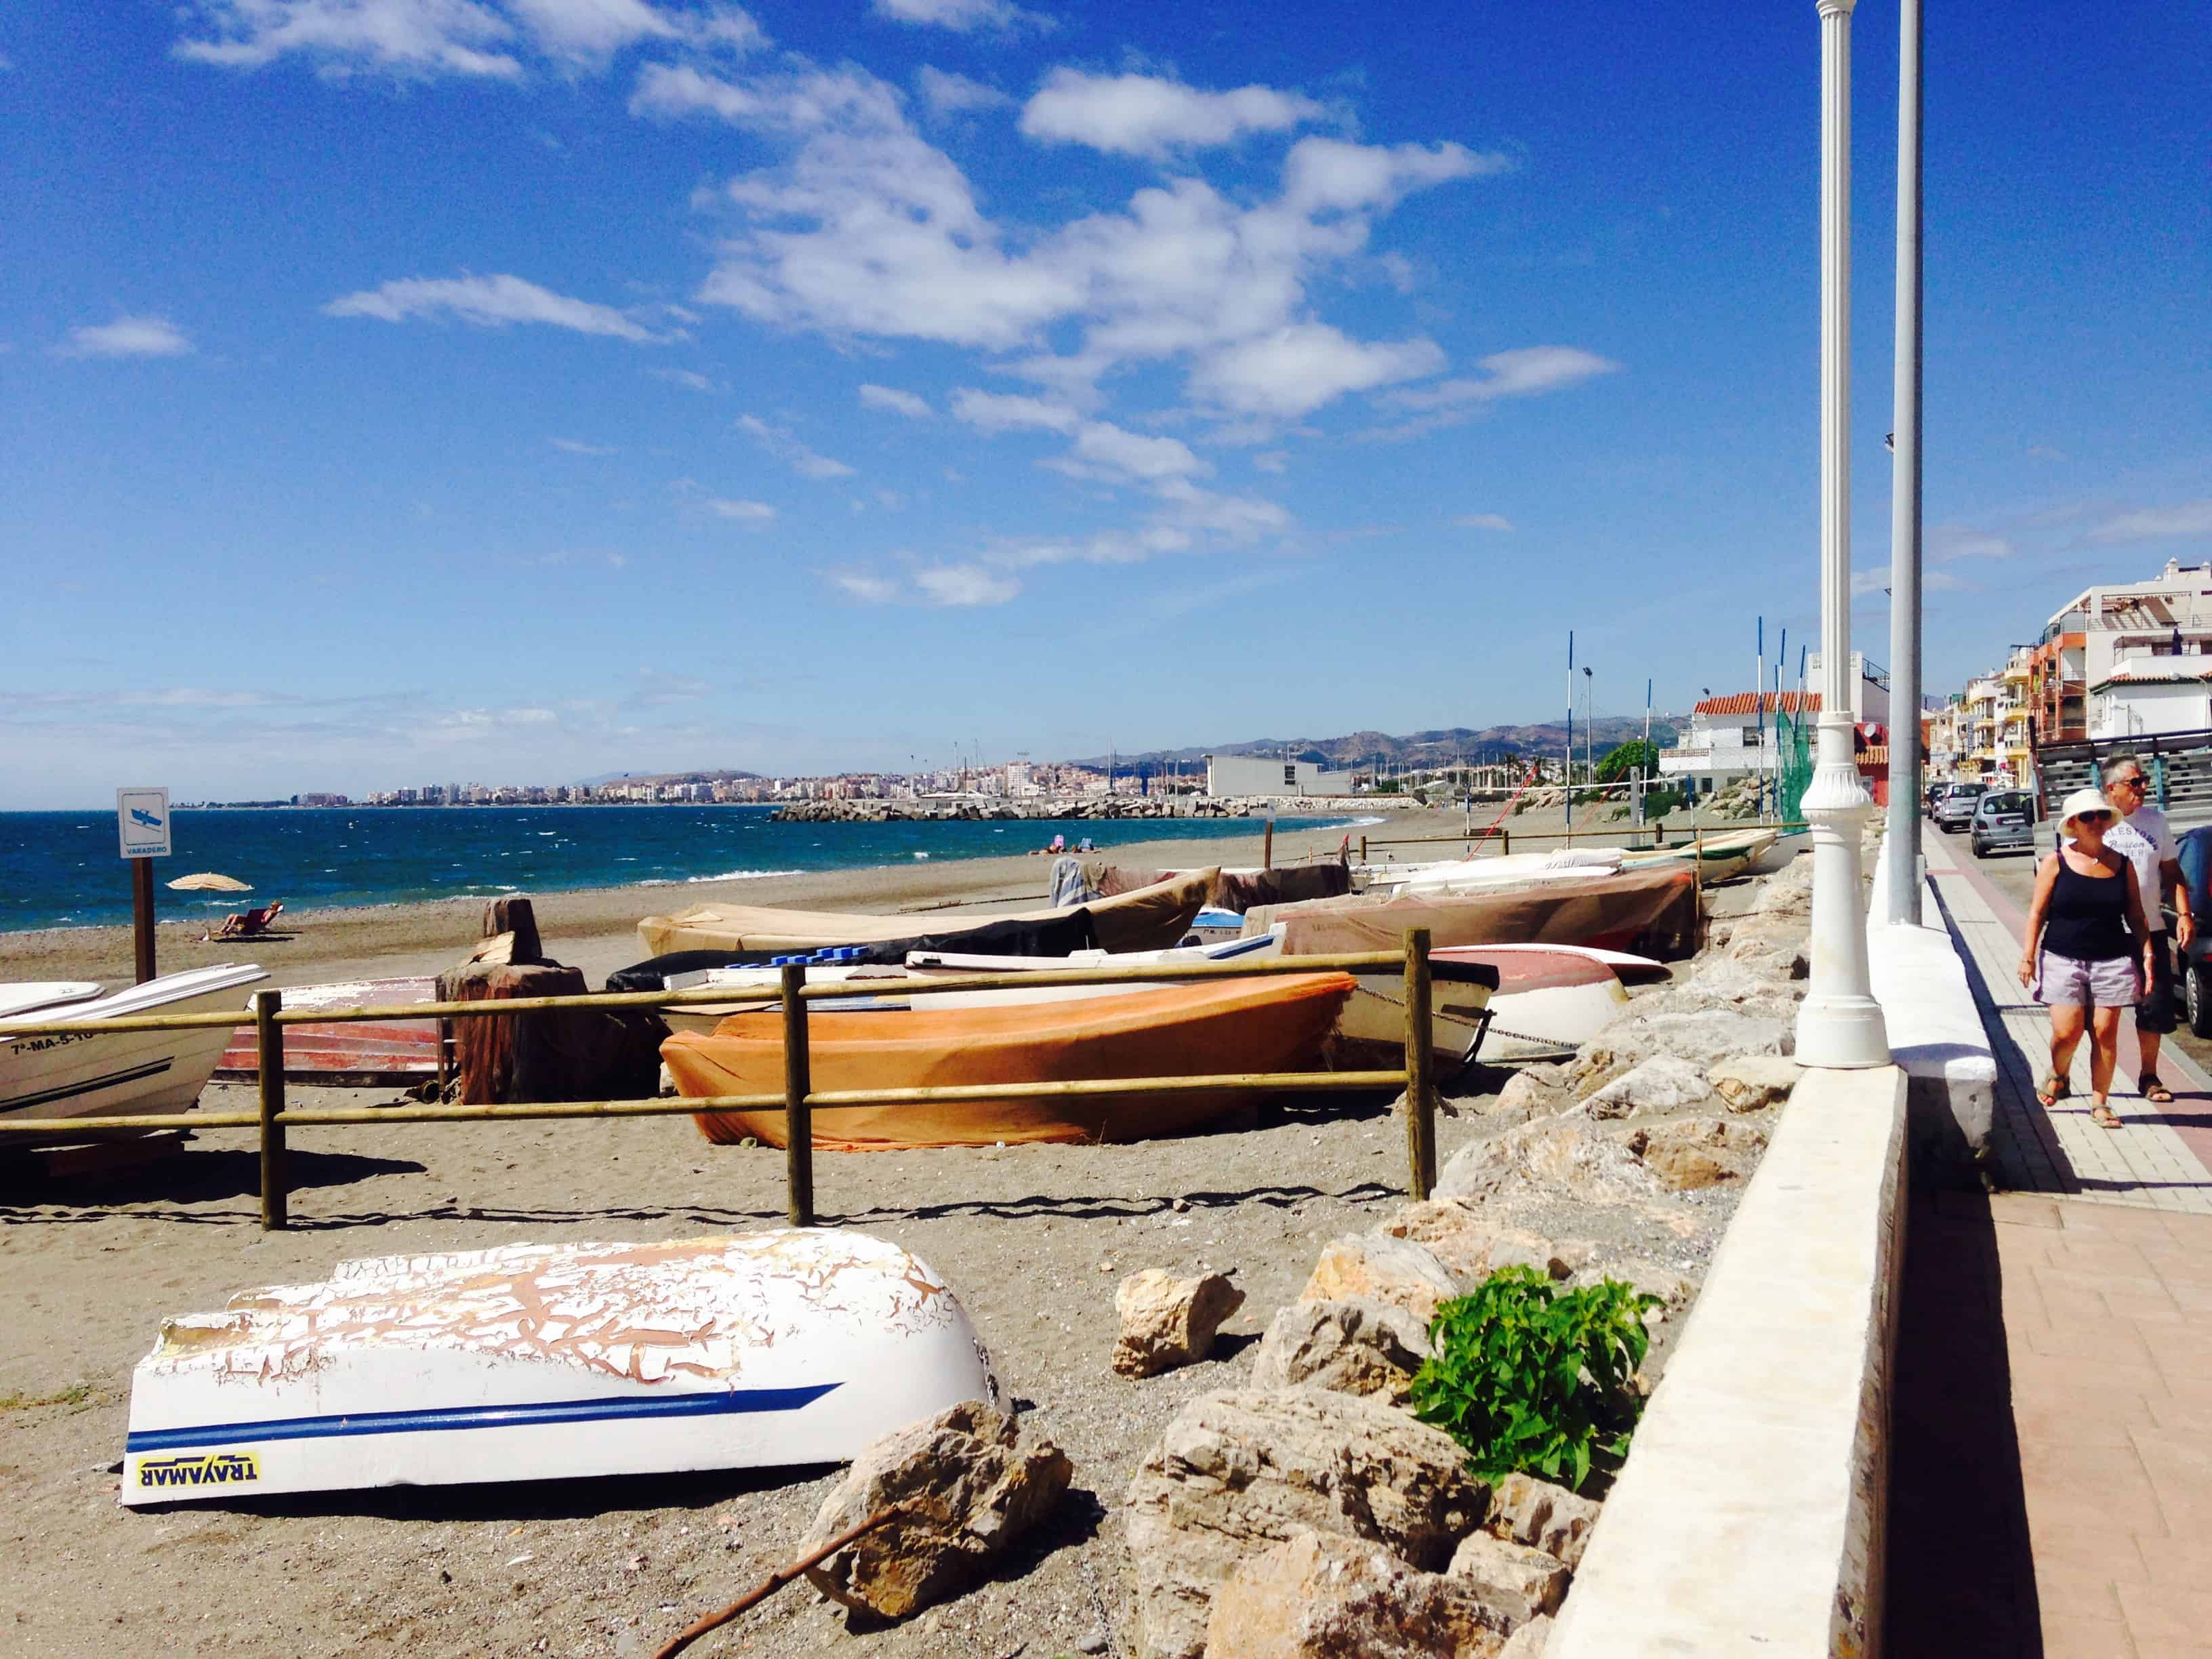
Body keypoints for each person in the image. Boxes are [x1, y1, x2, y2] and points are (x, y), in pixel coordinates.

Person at [2020, 787, 2157, 1128]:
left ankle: (2100, 1103)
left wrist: (2148, 952)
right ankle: (2059, 1073)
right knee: (2067, 1033)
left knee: (2105, 1032)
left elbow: (2136, 916)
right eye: (2086, 817)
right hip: (2062, 958)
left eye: (2100, 815)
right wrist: (2028, 956)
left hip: (2112, 960)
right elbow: (2037, 913)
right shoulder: (2055, 862)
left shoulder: (2122, 865)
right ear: (2074, 824)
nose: (2095, 821)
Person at [2101, 754, 2195, 1104]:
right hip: (2106, 933)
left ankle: (2149, 1076)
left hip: (2151, 931)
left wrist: (2184, 914)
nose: (2142, 788)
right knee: (2103, 1013)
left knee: (2153, 1008)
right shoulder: (2094, 821)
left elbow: (2172, 873)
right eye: (2135, 783)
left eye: (2144, 782)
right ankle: (2096, 1084)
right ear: (2112, 788)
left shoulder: (2155, 821)